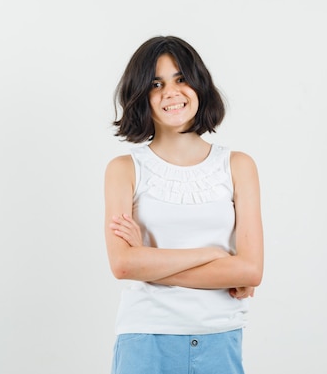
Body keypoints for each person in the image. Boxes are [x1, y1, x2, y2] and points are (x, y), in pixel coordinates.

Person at [104, 35, 264, 374]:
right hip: (146, 337)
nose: (171, 92)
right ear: (141, 96)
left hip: (218, 335)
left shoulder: (238, 166)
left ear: (199, 85)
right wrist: (216, 256)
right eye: (156, 84)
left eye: (181, 79)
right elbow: (123, 266)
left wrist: (150, 261)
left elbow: (250, 271)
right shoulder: (123, 169)